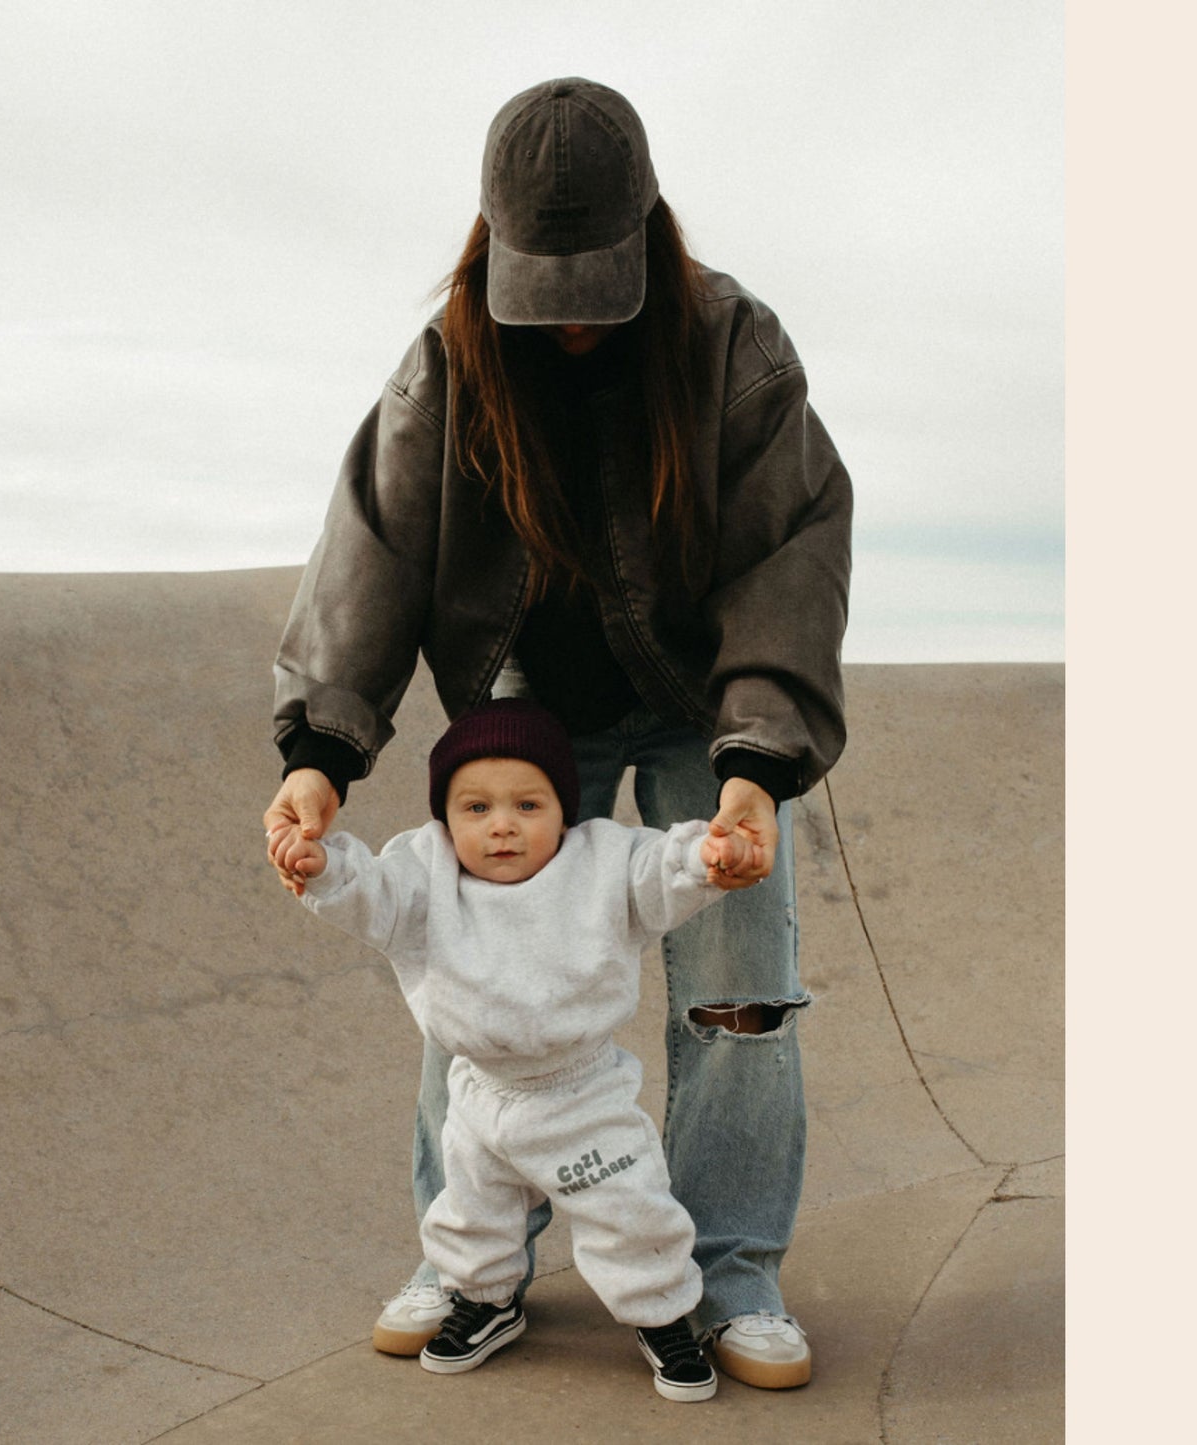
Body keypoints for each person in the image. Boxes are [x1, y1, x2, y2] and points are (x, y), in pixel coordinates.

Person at [265, 76, 851, 1390]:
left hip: (710, 700)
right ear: (492, 250)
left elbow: (790, 551)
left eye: (599, 282)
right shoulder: (451, 361)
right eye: (549, 286)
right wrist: (319, 754)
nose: (576, 322)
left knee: (739, 985)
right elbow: (372, 546)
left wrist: (755, 770)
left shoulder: (728, 344)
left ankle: (731, 1274)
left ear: (651, 231)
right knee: (472, 969)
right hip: (528, 710)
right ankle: (476, 1265)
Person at [270, 699, 756, 1401]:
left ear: (563, 807)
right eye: (474, 807)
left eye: (527, 804)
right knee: (471, 1210)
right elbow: (365, 892)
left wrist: (706, 856)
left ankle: (663, 1313)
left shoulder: (601, 864)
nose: (501, 824)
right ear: (445, 817)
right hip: (480, 1093)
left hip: (580, 1091)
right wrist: (319, 864)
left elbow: (660, 870)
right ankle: (487, 1299)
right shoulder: (422, 873)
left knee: (630, 1210)